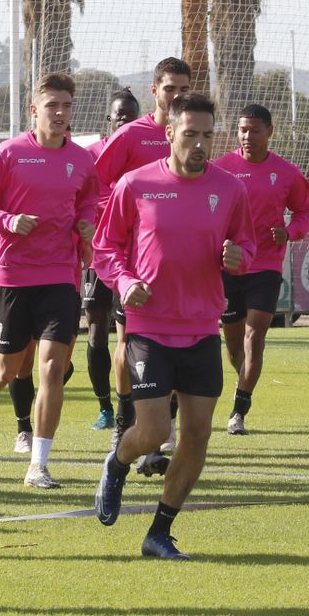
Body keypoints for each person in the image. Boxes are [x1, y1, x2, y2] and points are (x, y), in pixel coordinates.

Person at [92, 93, 253, 560]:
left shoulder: (230, 190)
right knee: (154, 429)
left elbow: (245, 248)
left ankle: (159, 532)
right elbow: (106, 249)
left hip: (202, 326)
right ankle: (118, 461)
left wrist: (239, 259)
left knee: (198, 433)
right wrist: (124, 282)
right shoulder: (136, 184)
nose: (200, 144)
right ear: (170, 134)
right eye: (190, 134)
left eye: (207, 135)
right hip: (148, 327)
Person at [0, 73, 98, 488]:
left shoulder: (82, 159)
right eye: (52, 105)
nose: (59, 113)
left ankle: (38, 464)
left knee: (53, 369)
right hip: (13, 277)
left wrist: (87, 223)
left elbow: (91, 199)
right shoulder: (9, 153)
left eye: (66, 106)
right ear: (34, 109)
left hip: (61, 276)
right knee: (7, 369)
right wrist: (8, 221)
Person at [93, 57, 193, 470]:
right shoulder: (132, 136)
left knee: (178, 348)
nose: (177, 96)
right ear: (155, 91)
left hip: (182, 266)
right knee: (127, 346)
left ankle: (158, 435)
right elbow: (95, 183)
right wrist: (118, 222)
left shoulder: (193, 135)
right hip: (133, 265)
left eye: (183, 89)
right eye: (170, 88)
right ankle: (123, 423)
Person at [213, 104, 309, 435]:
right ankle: (243, 379)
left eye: (254, 130)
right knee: (233, 346)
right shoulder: (221, 169)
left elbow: (305, 210)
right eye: (243, 130)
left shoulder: (286, 173)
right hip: (228, 266)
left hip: (266, 266)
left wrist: (289, 232)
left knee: (254, 335)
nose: (247, 136)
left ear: (269, 132)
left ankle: (239, 411)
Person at [83, 88, 141, 430]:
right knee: (95, 333)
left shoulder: (141, 155)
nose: (125, 123)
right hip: (97, 257)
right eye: (120, 117)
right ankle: (104, 407)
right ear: (109, 119)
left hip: (130, 260)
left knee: (130, 336)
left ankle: (130, 406)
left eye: (131, 117)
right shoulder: (92, 155)